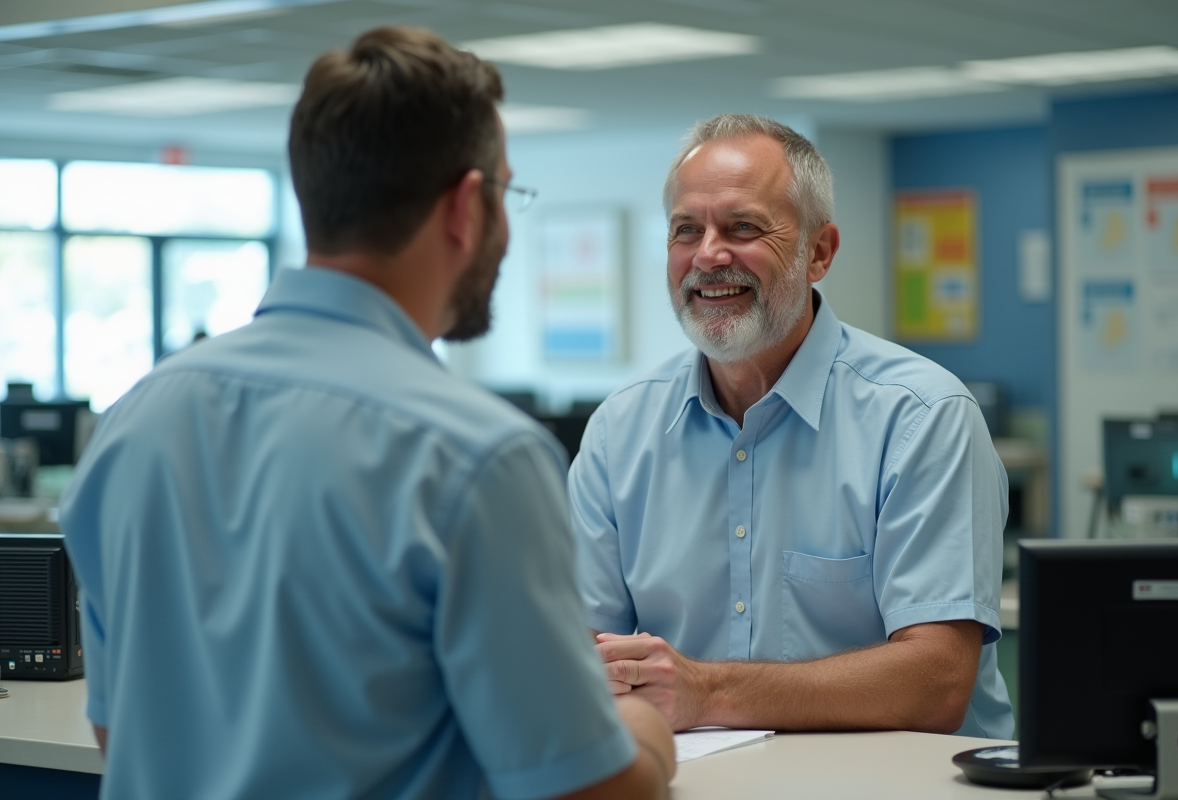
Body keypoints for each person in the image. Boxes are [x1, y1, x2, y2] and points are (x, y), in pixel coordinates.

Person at [59, 26, 673, 800]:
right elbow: (588, 791)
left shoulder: (131, 425)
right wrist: (643, 732)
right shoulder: (476, 457)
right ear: (466, 207)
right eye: (506, 194)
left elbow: (121, 734)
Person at [569, 114, 1013, 740]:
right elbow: (580, 656)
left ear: (819, 253)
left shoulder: (920, 417)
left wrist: (707, 692)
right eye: (686, 229)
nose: (708, 255)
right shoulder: (619, 431)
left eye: (743, 228)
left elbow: (935, 682)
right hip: (701, 779)